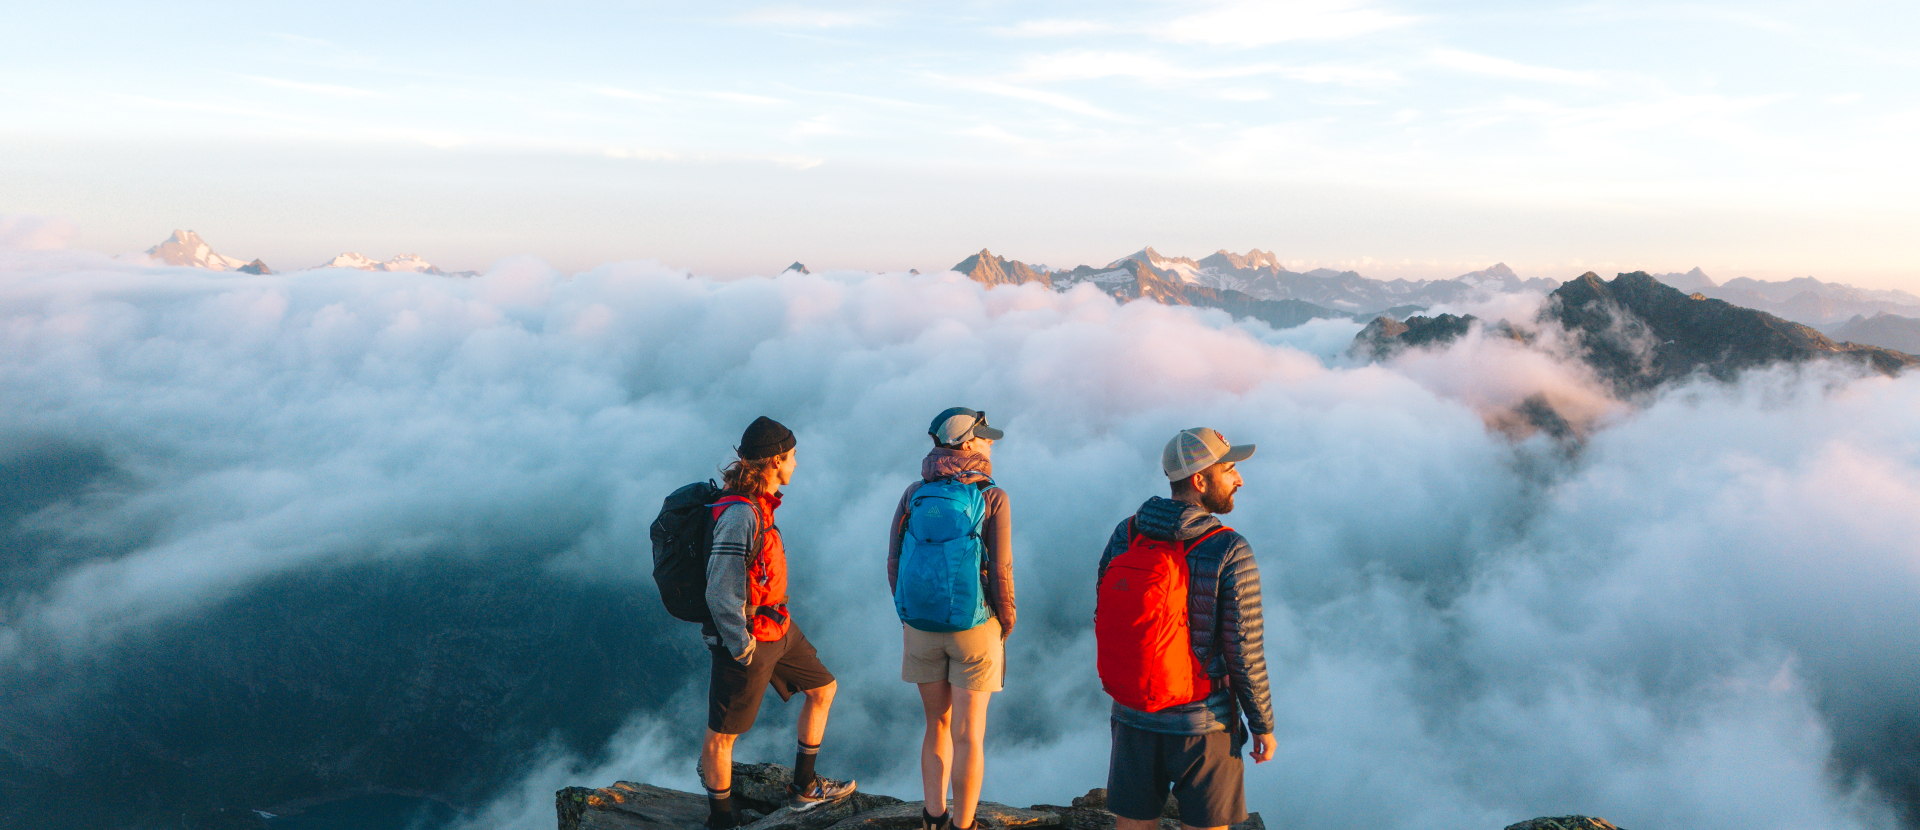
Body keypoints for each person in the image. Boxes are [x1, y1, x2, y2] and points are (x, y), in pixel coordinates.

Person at [1096, 427, 1276, 830]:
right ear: (1199, 480)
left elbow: (1103, 613)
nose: (1239, 479)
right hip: (1202, 724)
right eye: (1229, 469)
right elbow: (1243, 649)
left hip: (1132, 715)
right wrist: (1262, 723)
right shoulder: (1229, 548)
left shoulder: (1126, 534)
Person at [700, 416, 855, 829]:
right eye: (793, 456)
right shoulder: (741, 515)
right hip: (749, 639)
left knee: (823, 688)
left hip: (779, 630)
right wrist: (741, 645)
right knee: (721, 737)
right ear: (773, 462)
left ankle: (804, 788)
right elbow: (718, 591)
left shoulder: (760, 505)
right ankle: (721, 821)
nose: (797, 464)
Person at [888, 408, 1015, 830]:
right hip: (974, 629)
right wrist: (1005, 622)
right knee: (968, 736)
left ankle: (932, 817)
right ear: (966, 444)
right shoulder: (992, 496)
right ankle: (963, 826)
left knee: (935, 726)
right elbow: (1001, 570)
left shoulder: (913, 493)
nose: (990, 442)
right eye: (984, 437)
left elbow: (894, 561)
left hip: (920, 627)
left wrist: (908, 615)